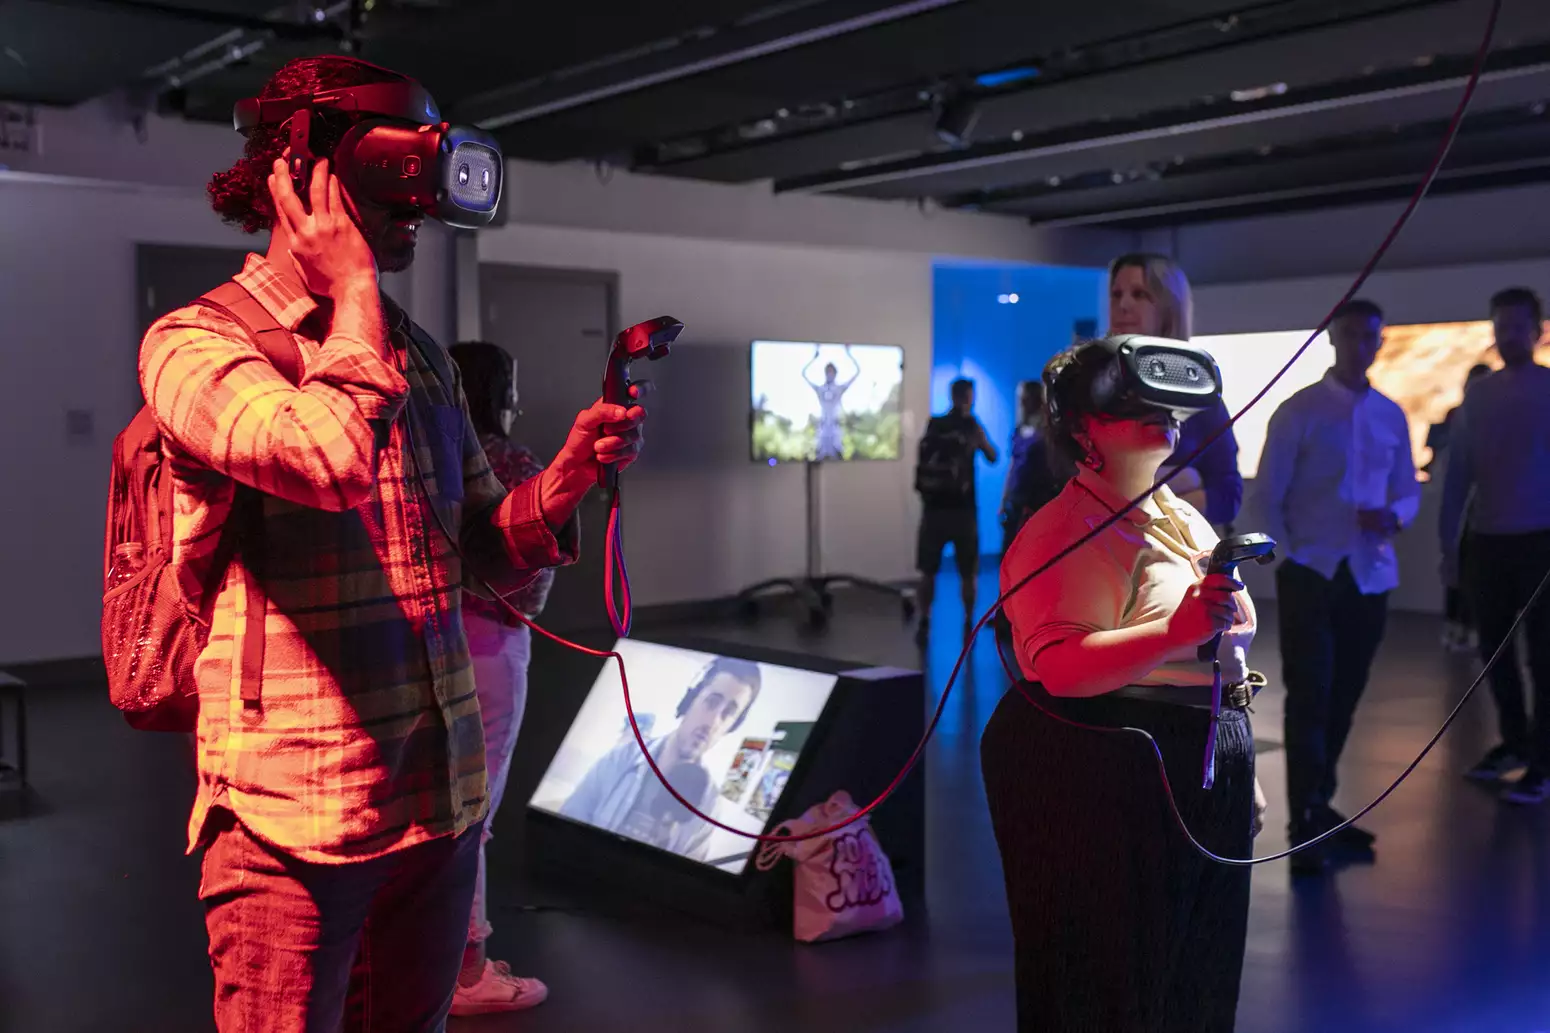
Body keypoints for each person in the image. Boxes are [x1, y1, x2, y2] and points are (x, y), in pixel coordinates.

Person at [141, 56, 645, 1033]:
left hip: (437, 802)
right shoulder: (199, 343)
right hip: (296, 818)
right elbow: (324, 461)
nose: (413, 204)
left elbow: (484, 553)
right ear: (302, 170)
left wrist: (574, 467)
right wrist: (353, 288)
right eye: (391, 171)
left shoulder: (413, 356)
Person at [982, 337, 1264, 1033]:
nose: (1160, 415)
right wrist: (1174, 632)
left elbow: (1219, 649)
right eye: (1133, 402)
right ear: (1081, 428)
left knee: (1198, 972)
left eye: (1165, 404)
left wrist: (1240, 764)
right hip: (1108, 768)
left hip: (1197, 758)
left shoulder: (1178, 513)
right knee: (1106, 977)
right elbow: (1060, 664)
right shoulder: (1061, 533)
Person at [1252, 299, 1420, 875]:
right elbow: (1268, 494)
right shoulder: (1299, 411)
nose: (1359, 345)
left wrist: (1396, 515)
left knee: (1345, 695)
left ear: (1379, 341)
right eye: (1349, 335)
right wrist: (1287, 557)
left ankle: (1319, 805)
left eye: (1369, 336)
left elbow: (1407, 490)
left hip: (1369, 576)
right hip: (1311, 573)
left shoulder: (1392, 415)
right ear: (1332, 338)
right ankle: (1303, 822)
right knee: (1310, 697)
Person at [444, 342, 554, 1016]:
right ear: (497, 391)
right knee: (473, 813)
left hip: (426, 639)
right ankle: (469, 971)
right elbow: (533, 579)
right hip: (489, 642)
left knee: (438, 805)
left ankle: (436, 957)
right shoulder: (511, 463)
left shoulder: (422, 454)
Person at [1441, 287, 1550, 803]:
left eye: (1518, 325)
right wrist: (1448, 548)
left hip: (1542, 543)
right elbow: (1459, 475)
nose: (1509, 335)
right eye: (1501, 325)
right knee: (1494, 652)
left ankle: (1543, 763)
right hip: (1489, 540)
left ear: (1538, 330)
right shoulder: (1480, 397)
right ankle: (1515, 743)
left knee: (1544, 657)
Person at [560, 657, 762, 860]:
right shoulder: (619, 759)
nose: (712, 722)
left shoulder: (708, 807)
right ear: (689, 701)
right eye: (711, 702)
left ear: (732, 727)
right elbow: (563, 829)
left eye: (728, 713)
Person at [1109, 252, 1243, 527]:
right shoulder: (1094, 386)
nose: (1123, 304)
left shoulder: (1199, 395)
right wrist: (1183, 481)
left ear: (1168, 306)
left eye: (1139, 294)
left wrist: (1152, 499)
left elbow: (1227, 497)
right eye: (1117, 294)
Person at [913, 377, 998, 645]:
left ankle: (924, 620)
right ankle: (968, 621)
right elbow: (993, 456)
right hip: (963, 512)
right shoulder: (971, 426)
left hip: (933, 511)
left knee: (928, 571)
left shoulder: (934, 424)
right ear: (969, 397)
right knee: (968, 571)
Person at [1431, 363, 1491, 652]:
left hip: (1486, 509)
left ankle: (1471, 627)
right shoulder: (1456, 418)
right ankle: (1455, 626)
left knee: (1477, 572)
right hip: (1462, 508)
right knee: (1457, 567)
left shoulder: (1495, 417)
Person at [802, 345, 860, 461]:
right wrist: (814, 357)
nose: (830, 374)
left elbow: (857, 372)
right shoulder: (820, 389)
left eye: (832, 372)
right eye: (828, 372)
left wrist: (849, 353)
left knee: (838, 459)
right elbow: (804, 374)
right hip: (823, 430)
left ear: (835, 374)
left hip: (835, 429)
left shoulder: (839, 389)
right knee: (819, 460)